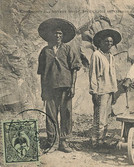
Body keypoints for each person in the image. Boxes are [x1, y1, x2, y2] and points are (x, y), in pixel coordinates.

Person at [37, 18, 81, 153]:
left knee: (66, 114)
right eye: (55, 33)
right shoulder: (45, 51)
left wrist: (72, 86)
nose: (57, 36)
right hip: (50, 88)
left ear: (63, 36)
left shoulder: (68, 49)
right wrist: (43, 90)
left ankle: (64, 142)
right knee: (51, 115)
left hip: (65, 87)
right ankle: (53, 142)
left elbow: (74, 68)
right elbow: (42, 73)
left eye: (60, 34)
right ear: (51, 35)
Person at [89, 29, 122, 147]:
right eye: (106, 41)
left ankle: (102, 139)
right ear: (101, 42)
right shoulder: (96, 55)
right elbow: (93, 74)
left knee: (106, 117)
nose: (109, 44)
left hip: (109, 90)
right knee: (99, 117)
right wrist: (94, 92)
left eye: (111, 42)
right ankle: (95, 141)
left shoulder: (111, 56)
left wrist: (114, 92)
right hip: (100, 91)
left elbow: (113, 75)